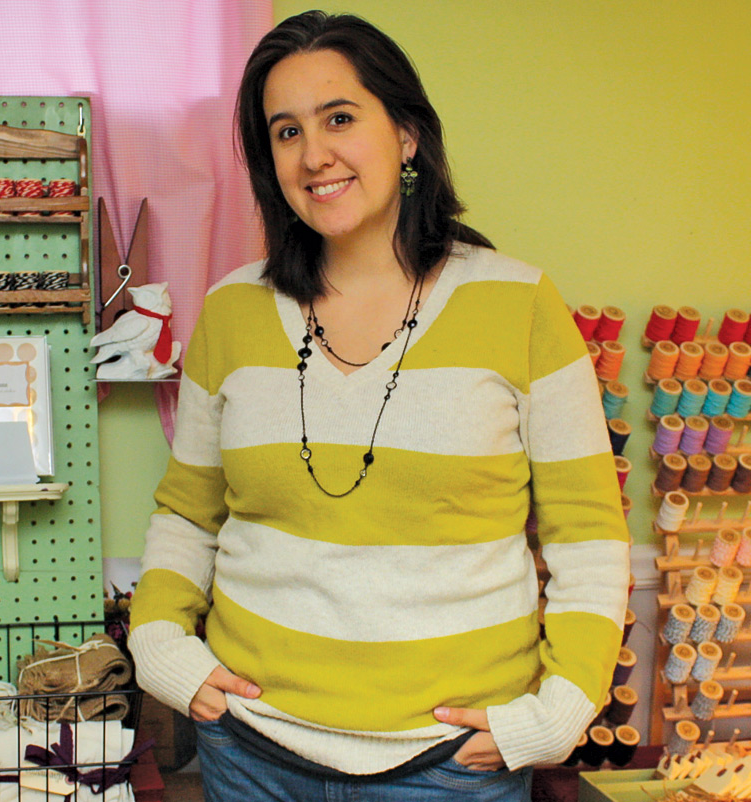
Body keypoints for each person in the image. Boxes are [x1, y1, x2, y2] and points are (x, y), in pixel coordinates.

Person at [128, 10, 631, 801]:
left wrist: (563, 708)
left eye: (339, 118)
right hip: (250, 751)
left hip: (448, 767)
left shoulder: (520, 304)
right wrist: (159, 643)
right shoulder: (231, 311)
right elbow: (188, 513)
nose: (313, 154)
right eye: (286, 131)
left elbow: (589, 536)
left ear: (406, 135)